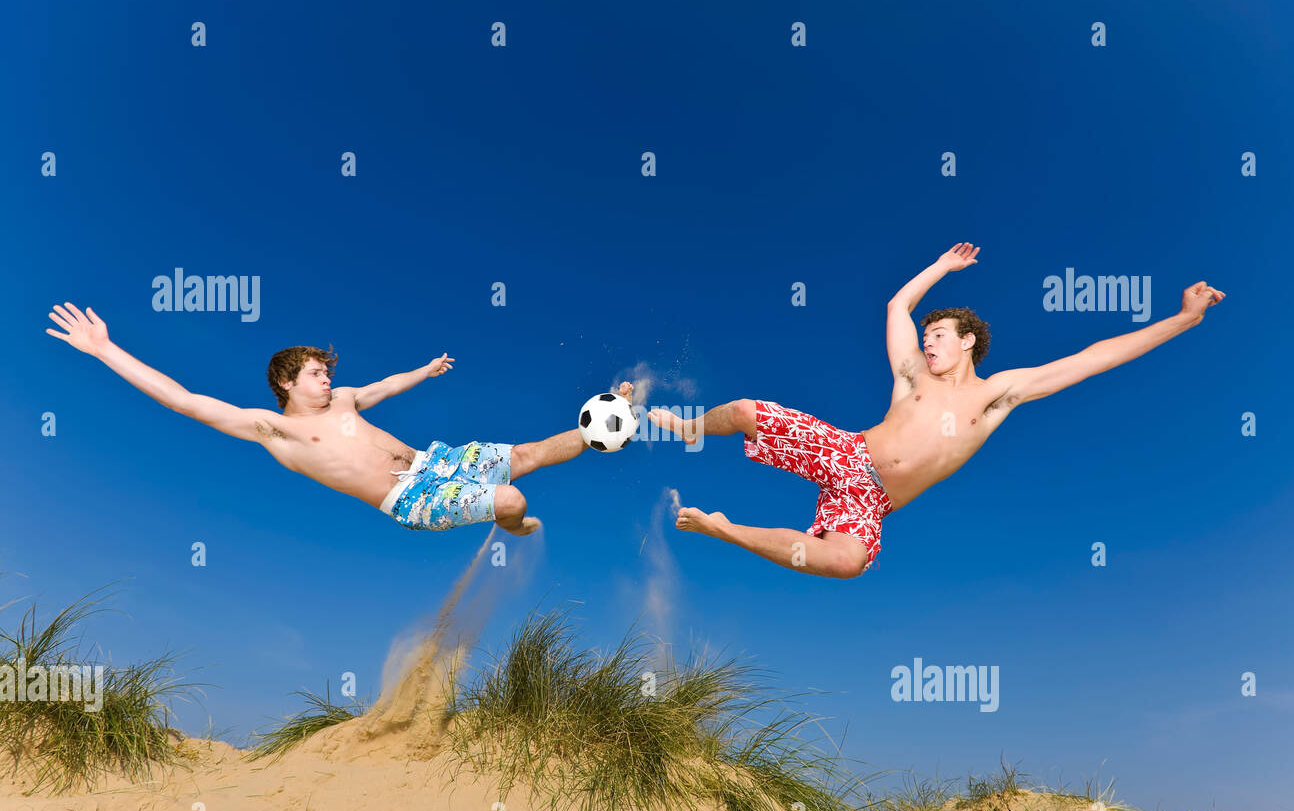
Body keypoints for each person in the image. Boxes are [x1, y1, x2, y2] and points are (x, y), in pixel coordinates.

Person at [648, 243, 1225, 579]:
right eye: (927, 336)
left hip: (870, 499)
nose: (928, 342)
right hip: (846, 454)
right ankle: (688, 426)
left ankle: (724, 529)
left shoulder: (996, 396)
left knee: (849, 562)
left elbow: (1092, 358)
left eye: (940, 335)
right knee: (750, 409)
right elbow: (899, 304)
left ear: (968, 340)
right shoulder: (910, 378)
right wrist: (941, 267)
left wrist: (1182, 319)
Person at [45, 303, 630, 535]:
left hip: (436, 461)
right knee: (511, 502)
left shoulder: (347, 399)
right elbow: (183, 399)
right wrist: (103, 349)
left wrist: (424, 372)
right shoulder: (277, 431)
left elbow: (383, 385)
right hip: (410, 501)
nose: (328, 379)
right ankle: (512, 529)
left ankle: (606, 417)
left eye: (328, 372)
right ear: (286, 383)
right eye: (316, 374)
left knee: (525, 455)